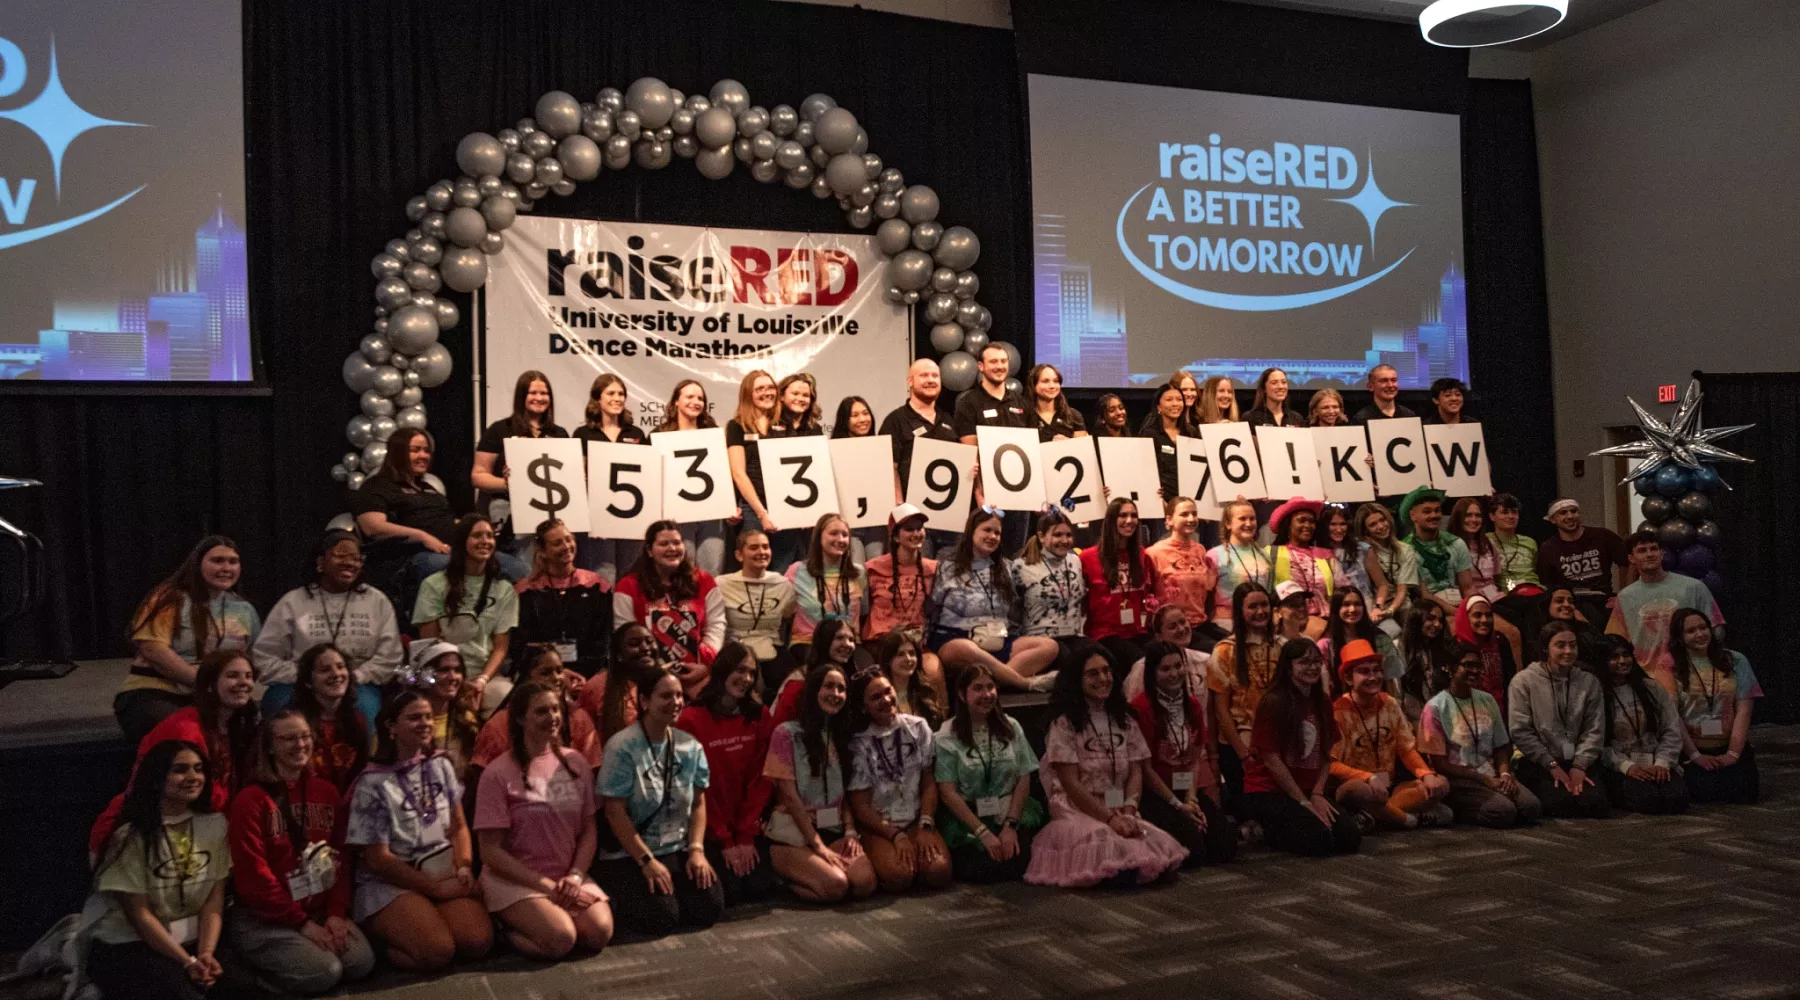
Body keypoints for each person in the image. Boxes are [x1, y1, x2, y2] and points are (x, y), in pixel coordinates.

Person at [81, 740, 248, 1000]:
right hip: (131, 944)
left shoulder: (215, 825)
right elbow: (140, 916)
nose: (193, 777)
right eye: (180, 770)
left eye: (198, 769)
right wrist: (187, 962)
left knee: (241, 988)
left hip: (193, 938)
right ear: (158, 779)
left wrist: (205, 954)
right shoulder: (131, 836)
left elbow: (213, 901)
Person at [226, 711, 374, 995]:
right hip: (265, 917)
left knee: (360, 962)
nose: (300, 744)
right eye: (288, 738)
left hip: (315, 910)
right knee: (325, 971)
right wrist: (301, 924)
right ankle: (254, 978)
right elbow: (253, 878)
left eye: (305, 736)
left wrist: (335, 914)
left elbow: (341, 858)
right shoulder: (251, 800)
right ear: (269, 746)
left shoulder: (326, 792)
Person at [344, 691, 491, 972]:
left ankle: (426, 918)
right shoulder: (372, 782)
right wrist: (434, 888)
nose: (425, 723)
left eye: (427, 716)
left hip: (439, 868)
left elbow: (459, 825)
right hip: (391, 881)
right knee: (438, 951)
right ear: (391, 728)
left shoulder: (440, 765)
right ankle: (385, 940)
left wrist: (463, 867)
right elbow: (378, 859)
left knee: (477, 941)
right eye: (414, 718)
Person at [1026, 640, 1188, 886]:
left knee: (1156, 863)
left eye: (1106, 671)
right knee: (1115, 863)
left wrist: (1130, 811)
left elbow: (1136, 771)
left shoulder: (1124, 718)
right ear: (1076, 680)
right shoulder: (1063, 723)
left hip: (1119, 806)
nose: (1103, 678)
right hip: (1079, 809)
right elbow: (1070, 783)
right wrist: (1110, 819)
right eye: (1093, 673)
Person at [474, 682, 612, 958]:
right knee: (561, 938)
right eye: (541, 712)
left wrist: (575, 876)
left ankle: (548, 915)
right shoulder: (497, 773)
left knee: (599, 932)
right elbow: (490, 851)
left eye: (555, 709)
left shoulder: (576, 763)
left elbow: (588, 830)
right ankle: (504, 932)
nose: (552, 718)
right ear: (521, 718)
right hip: (516, 879)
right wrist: (545, 887)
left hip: (565, 876)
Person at [92, 651, 261, 856]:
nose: (244, 682)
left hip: (199, 830)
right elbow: (184, 793)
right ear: (209, 684)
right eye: (233, 675)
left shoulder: (236, 727)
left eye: (248, 676)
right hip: (149, 837)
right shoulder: (185, 729)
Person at [596, 671, 723, 936]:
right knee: (663, 918)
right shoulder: (622, 747)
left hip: (675, 846)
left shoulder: (690, 746)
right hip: (631, 853)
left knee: (709, 908)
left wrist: (697, 850)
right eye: (665, 695)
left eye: (679, 695)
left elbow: (699, 803)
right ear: (644, 701)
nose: (675, 702)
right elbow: (614, 811)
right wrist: (646, 860)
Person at [116, 536, 260, 745]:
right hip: (157, 690)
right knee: (184, 734)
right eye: (217, 561)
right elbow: (153, 650)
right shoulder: (170, 598)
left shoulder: (244, 609)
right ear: (197, 563)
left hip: (214, 695)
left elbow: (255, 656)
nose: (226, 567)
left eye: (233, 561)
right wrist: (203, 682)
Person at [255, 529, 400, 722]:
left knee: (365, 711)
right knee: (278, 705)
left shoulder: (377, 601)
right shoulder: (294, 601)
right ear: (321, 562)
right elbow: (265, 656)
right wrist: (307, 677)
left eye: (356, 558)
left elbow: (390, 656)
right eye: (341, 555)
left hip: (358, 683)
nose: (350, 563)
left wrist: (354, 677)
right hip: (300, 683)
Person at [762, 664, 877, 903]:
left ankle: (818, 871)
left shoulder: (841, 734)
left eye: (841, 689)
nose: (835, 694)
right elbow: (790, 798)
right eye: (829, 686)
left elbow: (844, 793)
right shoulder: (786, 734)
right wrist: (817, 845)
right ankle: (781, 877)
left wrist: (850, 830)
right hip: (795, 833)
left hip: (832, 827)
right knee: (837, 886)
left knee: (864, 883)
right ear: (814, 690)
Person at [676, 644, 778, 907]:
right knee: (729, 894)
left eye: (751, 673)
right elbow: (697, 788)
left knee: (758, 887)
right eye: (739, 670)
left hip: (745, 826)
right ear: (722, 669)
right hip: (708, 828)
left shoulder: (760, 716)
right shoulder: (691, 719)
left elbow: (761, 778)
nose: (745, 679)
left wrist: (744, 835)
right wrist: (724, 839)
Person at [1241, 639, 1362, 856]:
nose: (1313, 667)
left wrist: (1317, 793)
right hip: (1271, 789)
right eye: (1305, 662)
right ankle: (1264, 829)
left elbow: (1326, 753)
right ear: (1289, 666)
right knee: (1319, 842)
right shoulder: (1274, 702)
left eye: (1317, 661)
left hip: (1308, 788)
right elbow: (1271, 759)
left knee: (1349, 838)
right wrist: (1303, 801)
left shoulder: (1321, 701)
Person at [926, 505, 1061, 690]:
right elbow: (932, 607)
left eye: (997, 533)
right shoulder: (948, 566)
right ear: (972, 531)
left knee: (1049, 646)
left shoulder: (1006, 567)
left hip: (998, 640)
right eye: (987, 530)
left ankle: (990, 684)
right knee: (967, 649)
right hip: (956, 640)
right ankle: (1024, 683)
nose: (992, 536)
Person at [933, 662, 1044, 882]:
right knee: (982, 869)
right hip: (970, 817)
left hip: (1007, 811)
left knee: (1018, 864)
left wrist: (1010, 826)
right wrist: (983, 833)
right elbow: (948, 792)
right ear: (962, 695)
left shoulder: (1011, 727)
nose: (987, 694)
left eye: (990, 687)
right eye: (978, 688)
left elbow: (1024, 777)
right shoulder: (947, 736)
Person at [350, 428, 482, 610]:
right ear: (397, 453)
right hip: (408, 558)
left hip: (450, 550)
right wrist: (423, 536)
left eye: (426, 450)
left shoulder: (428, 488)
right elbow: (373, 527)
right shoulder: (376, 486)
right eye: (415, 450)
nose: (423, 456)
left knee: (511, 566)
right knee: (448, 566)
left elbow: (446, 521)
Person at [1130, 640, 1236, 864]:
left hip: (1184, 787)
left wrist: (1191, 799)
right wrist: (1178, 805)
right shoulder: (1142, 708)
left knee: (1225, 846)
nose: (1174, 673)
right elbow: (1145, 769)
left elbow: (1194, 758)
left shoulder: (1193, 705)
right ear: (1153, 673)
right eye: (1165, 669)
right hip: (1156, 793)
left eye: (1178, 666)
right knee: (1194, 853)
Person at [846, 670, 952, 893]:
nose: (886, 700)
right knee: (899, 875)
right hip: (880, 824)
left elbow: (929, 782)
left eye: (888, 691)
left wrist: (925, 824)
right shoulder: (859, 743)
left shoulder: (918, 727)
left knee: (938, 872)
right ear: (864, 706)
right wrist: (894, 834)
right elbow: (861, 806)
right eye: (876, 697)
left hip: (915, 819)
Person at [1327, 641, 1452, 829]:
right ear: (1348, 678)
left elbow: (1407, 750)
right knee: (1356, 790)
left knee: (1441, 784)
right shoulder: (1338, 711)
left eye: (1376, 670)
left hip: (1390, 790)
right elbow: (1331, 764)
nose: (1373, 677)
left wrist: (1427, 774)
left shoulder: (1389, 703)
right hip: (1360, 788)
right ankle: (1402, 819)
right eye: (1364, 672)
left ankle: (1379, 816)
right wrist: (1366, 777)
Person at [1416, 644, 1541, 827]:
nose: (1475, 670)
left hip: (1491, 773)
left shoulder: (1486, 699)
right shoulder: (1435, 707)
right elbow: (1440, 764)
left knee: (1531, 807)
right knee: (1503, 812)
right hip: (1460, 779)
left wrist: (1505, 773)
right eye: (1468, 665)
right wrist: (1483, 779)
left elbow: (1501, 746)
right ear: (1449, 669)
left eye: (1478, 666)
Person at [414, 514, 519, 717]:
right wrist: (457, 681)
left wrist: (481, 681)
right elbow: (429, 645)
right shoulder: (433, 585)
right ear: (463, 542)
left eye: (489, 536)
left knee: (506, 700)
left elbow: (500, 648)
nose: (485, 541)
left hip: (486, 677)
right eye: (477, 535)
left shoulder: (504, 589)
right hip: (443, 675)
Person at [1507, 622, 1611, 819]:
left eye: (1573, 645)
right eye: (1561, 645)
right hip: (1541, 762)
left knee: (1594, 803)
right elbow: (1520, 730)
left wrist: (1580, 764)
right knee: (1561, 804)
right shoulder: (1524, 681)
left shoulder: (1589, 682)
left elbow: (1594, 728)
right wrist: (1551, 765)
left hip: (1578, 759)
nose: (1568, 651)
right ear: (1546, 648)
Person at [613, 520, 725, 697]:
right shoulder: (627, 586)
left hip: (698, 672)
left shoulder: (705, 581)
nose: (672, 548)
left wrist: (704, 666)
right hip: (646, 674)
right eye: (664, 544)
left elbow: (716, 625)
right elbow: (624, 633)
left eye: (677, 542)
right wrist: (654, 669)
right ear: (649, 551)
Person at [1668, 608, 1761, 804]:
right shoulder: (1670, 666)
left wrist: (1733, 754)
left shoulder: (1735, 660)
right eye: (1691, 631)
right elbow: (1672, 716)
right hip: (1692, 749)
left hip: (1729, 745)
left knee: (1744, 793)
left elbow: (1744, 708)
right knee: (1705, 795)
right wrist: (1695, 755)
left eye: (1703, 628)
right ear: (1680, 637)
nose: (1700, 634)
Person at [471, 370, 569, 555]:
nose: (539, 398)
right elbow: (478, 476)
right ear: (521, 396)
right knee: (522, 569)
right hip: (509, 513)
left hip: (550, 512)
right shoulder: (499, 430)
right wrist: (508, 484)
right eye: (533, 393)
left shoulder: (560, 433)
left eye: (544, 393)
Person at [1607, 529, 1723, 685]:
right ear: (1631, 558)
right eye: (1642, 550)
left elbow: (1716, 628)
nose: (1649, 554)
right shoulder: (1625, 597)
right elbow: (1617, 640)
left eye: (1654, 549)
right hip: (1648, 679)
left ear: (1661, 554)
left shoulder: (1694, 587)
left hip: (1692, 676)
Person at [1590, 634, 1688, 814]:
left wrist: (1662, 763)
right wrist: (1628, 767)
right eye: (1614, 657)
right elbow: (1596, 742)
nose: (1622, 661)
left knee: (1677, 799)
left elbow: (1671, 728)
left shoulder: (1651, 688)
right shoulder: (1596, 695)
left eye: (1626, 655)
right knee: (1647, 801)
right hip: (1621, 766)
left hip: (1656, 760)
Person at [1207, 582, 1277, 817]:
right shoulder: (1224, 651)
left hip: (1276, 743)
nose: (1260, 611)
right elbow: (1221, 710)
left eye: (1264, 605)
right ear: (1240, 611)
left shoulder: (1282, 646)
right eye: (1253, 606)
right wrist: (1243, 754)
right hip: (1240, 746)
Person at [470, 645, 601, 770]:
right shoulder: (500, 724)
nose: (556, 677)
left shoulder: (579, 718)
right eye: (546, 672)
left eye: (559, 671)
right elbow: (484, 774)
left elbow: (591, 770)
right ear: (527, 678)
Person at [572, 373, 649, 581]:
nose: (618, 398)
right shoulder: (583, 433)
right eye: (611, 393)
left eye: (621, 393)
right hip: (597, 518)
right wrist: (595, 518)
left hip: (632, 517)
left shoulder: (636, 433)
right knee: (603, 576)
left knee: (630, 576)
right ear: (598, 399)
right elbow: (579, 477)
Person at [514, 518, 613, 680]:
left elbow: (602, 642)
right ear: (543, 551)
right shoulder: (525, 591)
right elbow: (522, 644)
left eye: (569, 539)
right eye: (557, 543)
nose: (566, 547)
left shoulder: (598, 586)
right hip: (542, 675)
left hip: (590, 674)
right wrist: (559, 674)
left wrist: (580, 675)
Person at [862, 505, 940, 690]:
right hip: (879, 642)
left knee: (934, 672)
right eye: (909, 529)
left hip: (916, 642)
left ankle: (935, 717)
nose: (916, 533)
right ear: (896, 536)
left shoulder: (934, 569)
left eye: (919, 528)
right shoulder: (872, 568)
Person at [653, 379, 727, 575]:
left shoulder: (713, 434)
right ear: (676, 401)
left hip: (712, 514)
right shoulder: (659, 435)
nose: (696, 402)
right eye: (689, 397)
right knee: (681, 570)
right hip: (677, 515)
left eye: (700, 398)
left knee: (711, 572)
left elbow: (724, 473)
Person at [716, 527, 798, 695]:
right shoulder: (721, 584)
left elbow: (789, 615)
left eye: (765, 547)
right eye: (754, 547)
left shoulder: (783, 584)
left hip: (772, 649)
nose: (761, 552)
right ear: (739, 555)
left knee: (797, 684)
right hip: (735, 649)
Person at [877, 358, 960, 521]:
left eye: (935, 376)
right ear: (910, 381)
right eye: (924, 375)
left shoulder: (948, 420)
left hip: (950, 516)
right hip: (913, 518)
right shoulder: (895, 421)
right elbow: (888, 468)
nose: (930, 380)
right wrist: (900, 507)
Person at [1081, 497, 1159, 666]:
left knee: (1164, 657)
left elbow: (1150, 593)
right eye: (1123, 515)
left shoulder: (1142, 555)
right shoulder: (1088, 557)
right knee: (1142, 662)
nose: (1129, 521)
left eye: (1134, 515)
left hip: (1138, 630)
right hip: (1105, 634)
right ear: (1111, 520)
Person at [287, 644, 371, 793]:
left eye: (341, 667)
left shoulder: (357, 719)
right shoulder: (292, 722)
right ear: (308, 681)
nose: (336, 674)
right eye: (325, 670)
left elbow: (362, 773)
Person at [1536, 499, 1631, 625]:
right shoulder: (1548, 548)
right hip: (1572, 602)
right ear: (1553, 519)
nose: (1570, 516)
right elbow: (1548, 584)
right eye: (1563, 513)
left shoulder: (1602, 535)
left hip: (1603, 598)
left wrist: (1623, 596)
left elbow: (1628, 563)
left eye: (1573, 511)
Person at [765, 373, 826, 569]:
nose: (801, 399)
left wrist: (810, 512)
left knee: (807, 571)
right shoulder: (768, 426)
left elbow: (818, 472)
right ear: (781, 396)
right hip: (777, 512)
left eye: (806, 395)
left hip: (808, 515)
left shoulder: (815, 429)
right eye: (795, 393)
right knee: (780, 570)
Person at [786, 512, 865, 655]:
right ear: (819, 537)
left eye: (845, 535)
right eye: (833, 533)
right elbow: (785, 614)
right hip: (808, 643)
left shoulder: (859, 573)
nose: (840, 539)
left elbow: (863, 615)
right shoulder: (796, 571)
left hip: (849, 644)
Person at [1012, 506, 1088, 642]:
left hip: (1075, 637)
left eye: (1068, 535)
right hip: (1040, 640)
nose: (1065, 540)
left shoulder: (1076, 560)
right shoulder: (1021, 565)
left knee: (1102, 660)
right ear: (1042, 536)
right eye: (1057, 535)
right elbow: (1012, 612)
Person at [581, 624, 664, 747]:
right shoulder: (598, 686)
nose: (645, 648)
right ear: (618, 655)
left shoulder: (668, 682)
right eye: (634, 644)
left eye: (650, 641)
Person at [831, 394, 890, 563]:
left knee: (876, 569)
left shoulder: (880, 448)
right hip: (849, 523)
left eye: (865, 413)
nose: (862, 419)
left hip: (876, 522)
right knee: (856, 572)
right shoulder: (833, 451)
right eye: (855, 415)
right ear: (845, 420)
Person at [409, 641, 479, 780]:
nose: (452, 677)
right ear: (425, 676)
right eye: (444, 670)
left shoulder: (466, 718)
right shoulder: (406, 722)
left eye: (457, 670)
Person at [726, 369, 781, 540]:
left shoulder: (783, 424)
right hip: (752, 508)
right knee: (756, 562)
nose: (767, 393)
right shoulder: (737, 426)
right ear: (748, 394)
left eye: (771, 387)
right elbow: (738, 473)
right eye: (760, 389)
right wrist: (761, 513)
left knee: (784, 566)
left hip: (784, 505)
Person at [1400, 487, 1474, 614]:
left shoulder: (1456, 543)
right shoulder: (1406, 549)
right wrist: (1458, 615)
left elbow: (1467, 587)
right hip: (1428, 611)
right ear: (1413, 515)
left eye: (1437, 510)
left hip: (1460, 605)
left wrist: (1474, 608)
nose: (1434, 515)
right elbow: (1423, 594)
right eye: (1427, 511)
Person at [1318, 588, 1404, 696]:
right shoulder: (1325, 645)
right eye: (1346, 604)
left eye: (1357, 604)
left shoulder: (1379, 638)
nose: (1352, 609)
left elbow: (1390, 679)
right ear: (1336, 609)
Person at [1120, 605, 1212, 701]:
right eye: (1172, 627)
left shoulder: (1204, 660)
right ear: (1159, 636)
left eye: (1183, 622)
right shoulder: (1142, 669)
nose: (1181, 629)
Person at [1208, 500, 1269, 636]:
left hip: (1259, 622)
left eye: (1252, 519)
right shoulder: (1214, 555)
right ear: (1228, 523)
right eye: (1242, 518)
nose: (1248, 523)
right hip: (1226, 625)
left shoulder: (1264, 555)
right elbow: (1207, 597)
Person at [1268, 498, 1334, 619]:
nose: (1308, 526)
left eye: (1311, 521)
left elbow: (1340, 590)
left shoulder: (1326, 556)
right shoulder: (1271, 553)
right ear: (1288, 524)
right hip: (1287, 624)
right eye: (1301, 520)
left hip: (1326, 623)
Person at [1357, 502, 1416, 635]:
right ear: (1365, 530)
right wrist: (1378, 609)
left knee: (1410, 623)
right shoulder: (1363, 551)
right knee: (1391, 632)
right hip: (1374, 604)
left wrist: (1390, 610)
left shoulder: (1405, 549)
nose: (1381, 526)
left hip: (1400, 603)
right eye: (1373, 524)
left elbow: (1402, 589)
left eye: (1382, 520)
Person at [1453, 594, 1517, 712]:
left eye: (1488, 615)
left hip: (1501, 709)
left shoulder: (1500, 640)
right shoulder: (1455, 646)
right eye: (1477, 615)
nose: (1484, 620)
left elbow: (1510, 678)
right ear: (1466, 617)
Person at [876, 630, 944, 730]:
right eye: (900, 654)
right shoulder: (881, 698)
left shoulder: (925, 692)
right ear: (888, 661)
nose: (908, 659)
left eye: (912, 653)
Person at [1398, 604, 1455, 724]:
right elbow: (1396, 692)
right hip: (1413, 720)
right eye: (1431, 619)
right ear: (1416, 620)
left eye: (1440, 620)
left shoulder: (1443, 649)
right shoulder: (1401, 648)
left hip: (1442, 717)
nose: (1437, 624)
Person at [1143, 383, 1189, 531]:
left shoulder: (1191, 432)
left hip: (1188, 504)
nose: (1175, 404)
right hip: (1160, 505)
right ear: (1158, 407)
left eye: (1179, 399)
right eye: (1169, 400)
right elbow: (1145, 471)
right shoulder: (1150, 434)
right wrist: (1161, 502)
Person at [1448, 497, 1504, 602]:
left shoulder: (1488, 543)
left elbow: (1497, 577)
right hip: (1471, 602)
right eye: (1468, 515)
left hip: (1495, 597)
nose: (1474, 520)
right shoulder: (1450, 546)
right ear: (1458, 517)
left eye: (1478, 515)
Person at [1486, 493, 1541, 594]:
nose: (1511, 516)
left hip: (1533, 591)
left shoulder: (1530, 542)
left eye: (1514, 512)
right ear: (1492, 516)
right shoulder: (1485, 540)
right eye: (1505, 512)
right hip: (1504, 596)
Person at [1026, 363, 1087, 441]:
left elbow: (1083, 449)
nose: (1052, 386)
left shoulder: (1074, 416)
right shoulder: (1024, 416)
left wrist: (1069, 444)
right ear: (1033, 385)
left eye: (1056, 381)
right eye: (1045, 381)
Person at [1138, 369, 1201, 435]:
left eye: (1193, 389)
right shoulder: (1152, 420)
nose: (1189, 394)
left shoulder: (1199, 418)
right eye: (1184, 389)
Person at [1350, 365, 1417, 424]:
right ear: (1370, 386)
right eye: (1383, 381)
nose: (1390, 385)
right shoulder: (1361, 419)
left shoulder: (1409, 415)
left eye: (1394, 380)